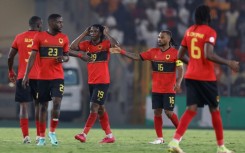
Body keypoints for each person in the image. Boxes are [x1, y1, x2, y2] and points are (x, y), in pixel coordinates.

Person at [167, 5, 239, 153]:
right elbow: (208, 54)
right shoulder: (210, 31)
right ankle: (221, 147)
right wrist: (228, 62)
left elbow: (179, 55)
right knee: (215, 110)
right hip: (206, 77)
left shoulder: (189, 31)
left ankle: (175, 141)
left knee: (191, 109)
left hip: (191, 76)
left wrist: (193, 63)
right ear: (207, 16)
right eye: (211, 13)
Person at [110, 30, 183, 144]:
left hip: (169, 88)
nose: (159, 39)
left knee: (168, 113)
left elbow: (180, 69)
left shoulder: (175, 53)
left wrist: (178, 82)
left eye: (162, 37)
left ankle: (180, 132)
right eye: (158, 37)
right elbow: (136, 57)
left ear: (168, 39)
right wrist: (122, 51)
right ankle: (160, 138)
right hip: (156, 88)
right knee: (157, 112)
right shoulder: (152, 52)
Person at [22, 14, 70, 146]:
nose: (62, 24)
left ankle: (52, 132)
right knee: (42, 106)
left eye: (62, 22)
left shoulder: (64, 38)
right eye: (59, 22)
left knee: (57, 102)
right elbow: (32, 56)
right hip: (42, 77)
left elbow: (67, 56)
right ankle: (42, 137)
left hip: (58, 77)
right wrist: (26, 75)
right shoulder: (40, 36)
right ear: (51, 23)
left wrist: (63, 59)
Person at [70, 24, 119, 143]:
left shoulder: (106, 44)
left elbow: (115, 45)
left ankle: (83, 134)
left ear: (100, 33)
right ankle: (110, 136)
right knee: (101, 108)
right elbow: (72, 47)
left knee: (93, 107)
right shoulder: (87, 45)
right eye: (91, 31)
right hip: (91, 81)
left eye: (95, 31)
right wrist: (83, 33)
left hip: (102, 81)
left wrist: (106, 33)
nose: (92, 33)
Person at [8, 16, 43, 144]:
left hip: (23, 77)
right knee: (39, 106)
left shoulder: (19, 37)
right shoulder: (43, 37)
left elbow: (10, 56)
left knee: (24, 107)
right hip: (40, 78)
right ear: (39, 25)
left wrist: (11, 70)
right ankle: (39, 136)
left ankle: (26, 137)